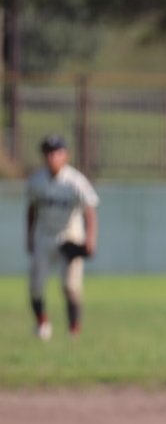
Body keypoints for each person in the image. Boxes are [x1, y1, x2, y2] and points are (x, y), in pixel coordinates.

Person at [26, 134, 99, 339]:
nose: (52, 157)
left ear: (66, 155)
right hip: (44, 234)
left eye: (56, 153)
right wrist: (29, 236)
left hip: (70, 235)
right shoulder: (36, 180)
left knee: (71, 286)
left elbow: (90, 210)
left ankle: (74, 330)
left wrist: (90, 239)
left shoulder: (75, 181)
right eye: (48, 153)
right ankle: (42, 324)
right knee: (36, 284)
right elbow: (31, 209)